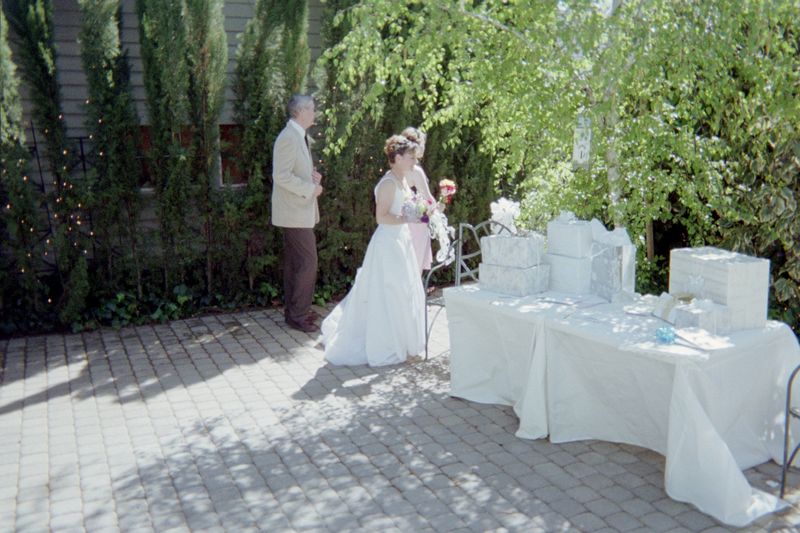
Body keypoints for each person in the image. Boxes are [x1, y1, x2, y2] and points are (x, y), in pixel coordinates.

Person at [320, 135, 426, 366]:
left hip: (401, 241)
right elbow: (381, 217)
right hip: (388, 243)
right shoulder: (388, 183)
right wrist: (408, 218)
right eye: (410, 157)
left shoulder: (402, 180)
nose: (414, 162)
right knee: (388, 292)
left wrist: (417, 214)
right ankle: (388, 344)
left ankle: (404, 343)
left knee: (403, 292)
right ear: (398, 158)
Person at [271, 94, 324, 333]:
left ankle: (294, 312)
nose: (315, 113)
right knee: (307, 262)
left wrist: (312, 179)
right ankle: (298, 315)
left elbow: (293, 172)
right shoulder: (289, 137)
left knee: (296, 263)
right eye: (312, 109)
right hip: (293, 213)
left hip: (296, 212)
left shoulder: (297, 135)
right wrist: (311, 189)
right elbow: (280, 176)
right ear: (300, 112)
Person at [401, 127, 434, 274]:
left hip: (399, 220)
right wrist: (441, 204)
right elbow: (429, 200)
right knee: (414, 270)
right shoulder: (416, 171)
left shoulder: (398, 167)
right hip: (416, 224)